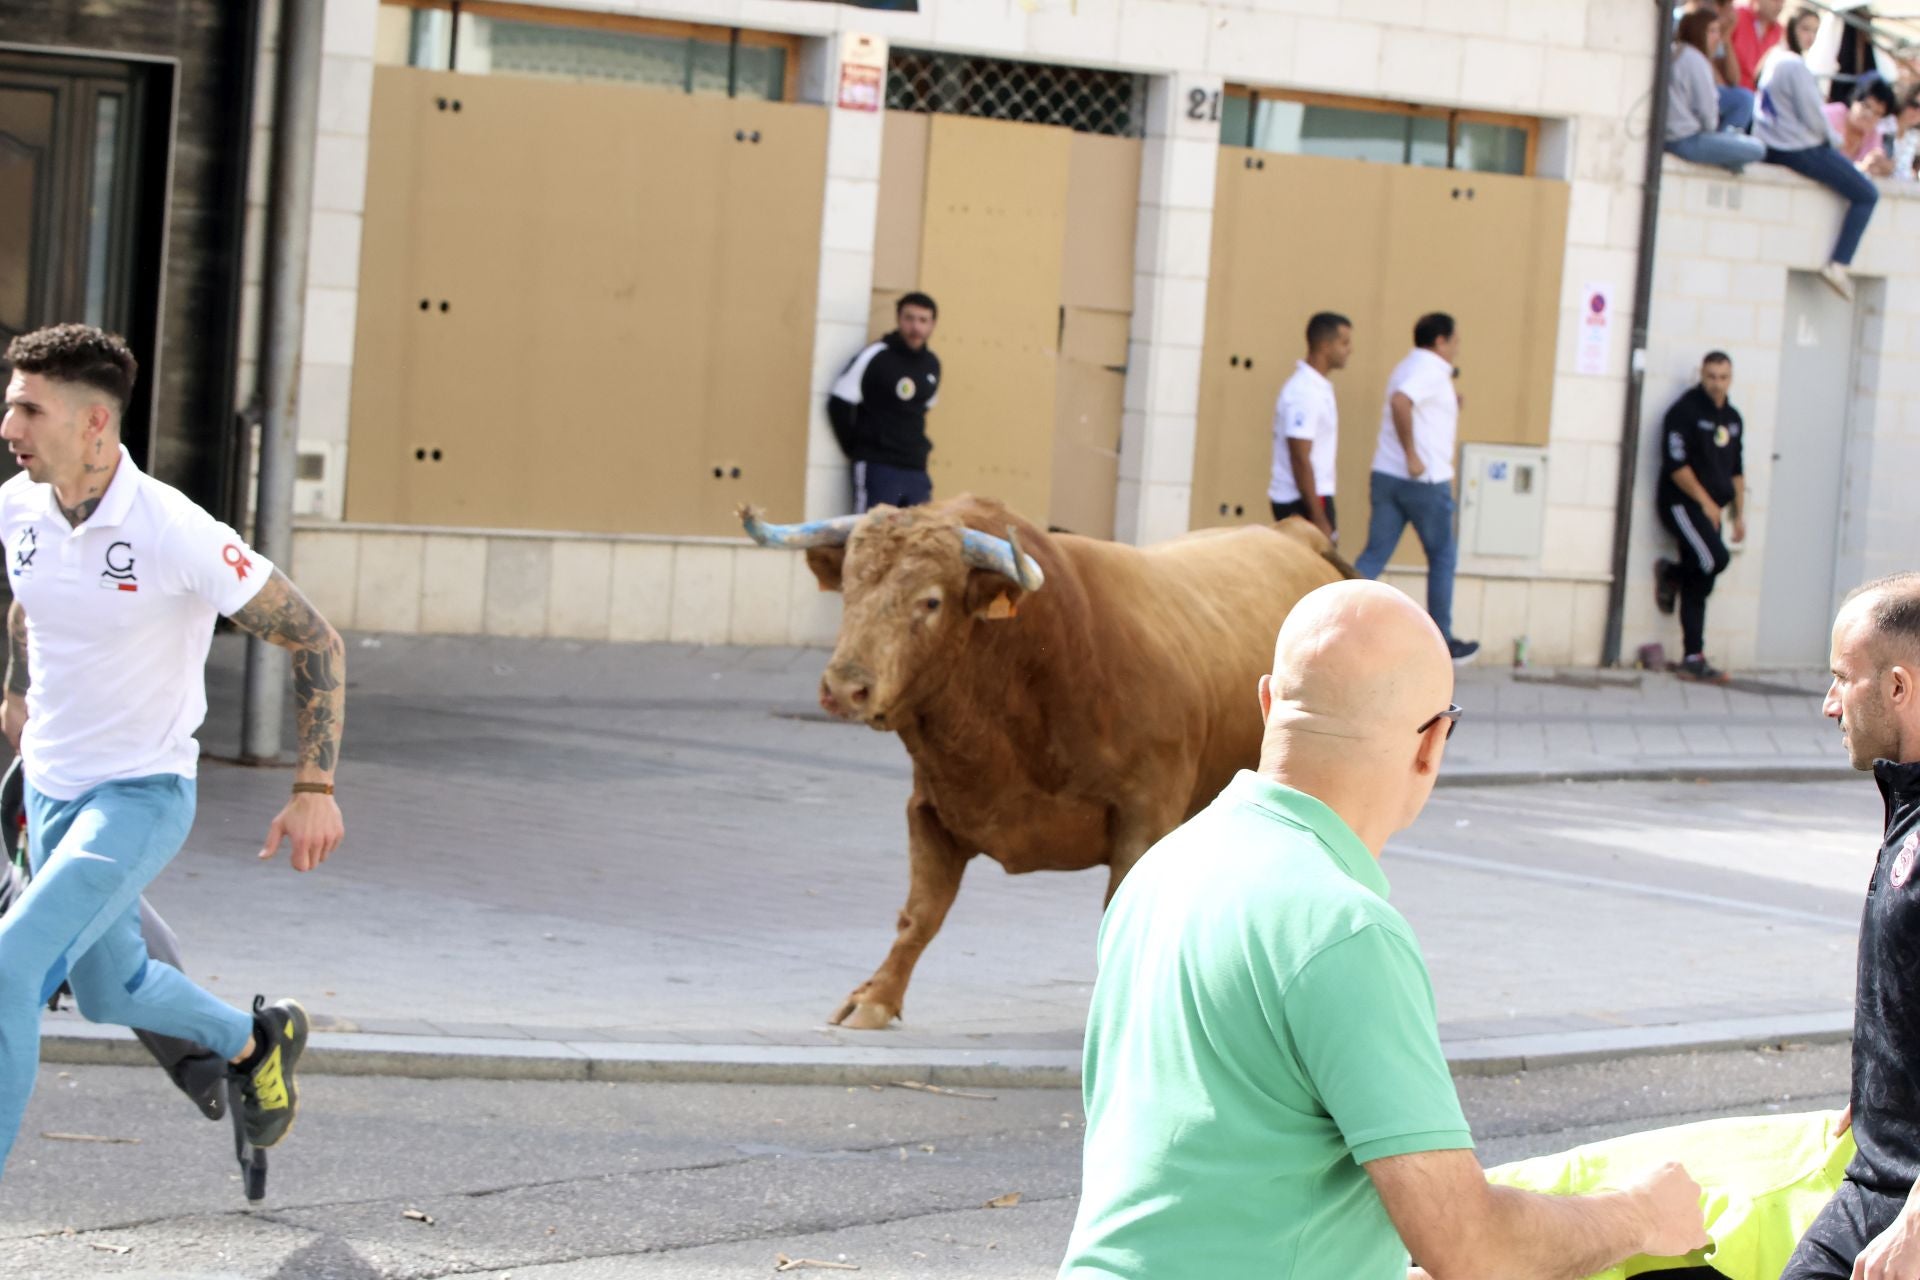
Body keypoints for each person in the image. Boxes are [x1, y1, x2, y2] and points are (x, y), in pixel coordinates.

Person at [1057, 579, 1709, 1280]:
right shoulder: (1345, 930)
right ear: (1432, 742)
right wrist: (1642, 1214)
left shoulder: (1162, 868)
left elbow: (1214, 1168)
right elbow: (1471, 1248)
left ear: (1268, 703)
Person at [0, 324, 346, 1175]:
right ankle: (255, 1046)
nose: (9, 428)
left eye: (29, 410)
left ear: (94, 423)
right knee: (112, 989)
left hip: (137, 797)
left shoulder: (173, 530)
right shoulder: (19, 507)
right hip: (49, 789)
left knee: (12, 964)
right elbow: (29, 602)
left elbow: (315, 639)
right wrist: (17, 693)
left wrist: (314, 787)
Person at [1782, 574, 1920, 1277]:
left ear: (1897, 687)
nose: (1830, 703)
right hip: (1879, 1180)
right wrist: (1885, 1079)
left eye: (1843, 678)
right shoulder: (1910, 807)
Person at [1354, 314, 1480, 664]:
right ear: (1440, 340)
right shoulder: (1430, 369)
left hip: (1387, 476)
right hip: (1424, 482)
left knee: (1374, 555)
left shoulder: (1407, 365)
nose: (1457, 347)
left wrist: (1450, 405)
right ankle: (1443, 640)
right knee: (1442, 556)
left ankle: (1330, 619)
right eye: (1455, 340)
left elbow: (1411, 404)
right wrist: (1412, 455)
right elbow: (1401, 402)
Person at [1758, 3, 1880, 300]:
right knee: (1867, 193)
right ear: (1791, 28)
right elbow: (1813, 116)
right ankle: (1839, 263)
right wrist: (1833, 141)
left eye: (1814, 30)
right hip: (1796, 147)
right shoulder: (1793, 65)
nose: (1810, 37)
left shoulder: (1774, 59)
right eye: (1804, 29)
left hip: (1777, 144)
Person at [1652, 351, 1746, 685]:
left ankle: (1693, 657)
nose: (1717, 384)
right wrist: (1706, 504)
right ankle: (1672, 573)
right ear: (1701, 376)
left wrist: (1738, 516)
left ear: (1730, 379)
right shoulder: (1684, 412)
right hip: (1682, 504)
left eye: (1723, 377)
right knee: (1712, 560)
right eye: (1711, 377)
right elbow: (1676, 467)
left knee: (1701, 575)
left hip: (1712, 511)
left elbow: (1736, 471)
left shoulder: (1732, 418)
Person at [827, 293, 941, 515]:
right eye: (909, 318)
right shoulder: (876, 355)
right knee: (871, 530)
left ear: (932, 324)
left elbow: (923, 408)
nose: (915, 327)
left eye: (923, 320)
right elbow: (839, 402)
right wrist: (856, 448)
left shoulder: (932, 364)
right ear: (898, 318)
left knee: (920, 531)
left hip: (915, 467)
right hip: (878, 466)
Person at [1269, 311, 1350, 542]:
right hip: (1301, 500)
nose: (1350, 350)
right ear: (1325, 346)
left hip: (1313, 496)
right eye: (1344, 343)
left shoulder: (1317, 387)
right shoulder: (1304, 392)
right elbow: (1299, 456)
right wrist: (1318, 516)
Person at [1669, 9, 1768, 171]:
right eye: (1712, 31)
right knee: (1757, 149)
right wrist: (1719, 140)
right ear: (1698, 32)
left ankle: (1730, 146)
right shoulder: (1695, 59)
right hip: (1684, 140)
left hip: (1677, 135)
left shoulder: (1680, 51)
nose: (1717, 37)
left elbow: (1732, 81)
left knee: (1743, 99)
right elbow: (1708, 116)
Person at [1824, 75, 1899, 173]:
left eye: (1877, 113)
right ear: (1854, 100)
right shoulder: (1830, 115)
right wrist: (1859, 168)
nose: (1869, 115)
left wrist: (1881, 166)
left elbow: (1874, 164)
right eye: (1866, 106)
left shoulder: (1873, 134)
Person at [1727, 0, 1786, 90]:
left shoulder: (1779, 31)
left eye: (1783, 1)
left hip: (1757, 93)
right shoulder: (1735, 16)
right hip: (1730, 89)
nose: (1780, 6)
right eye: (1776, 0)